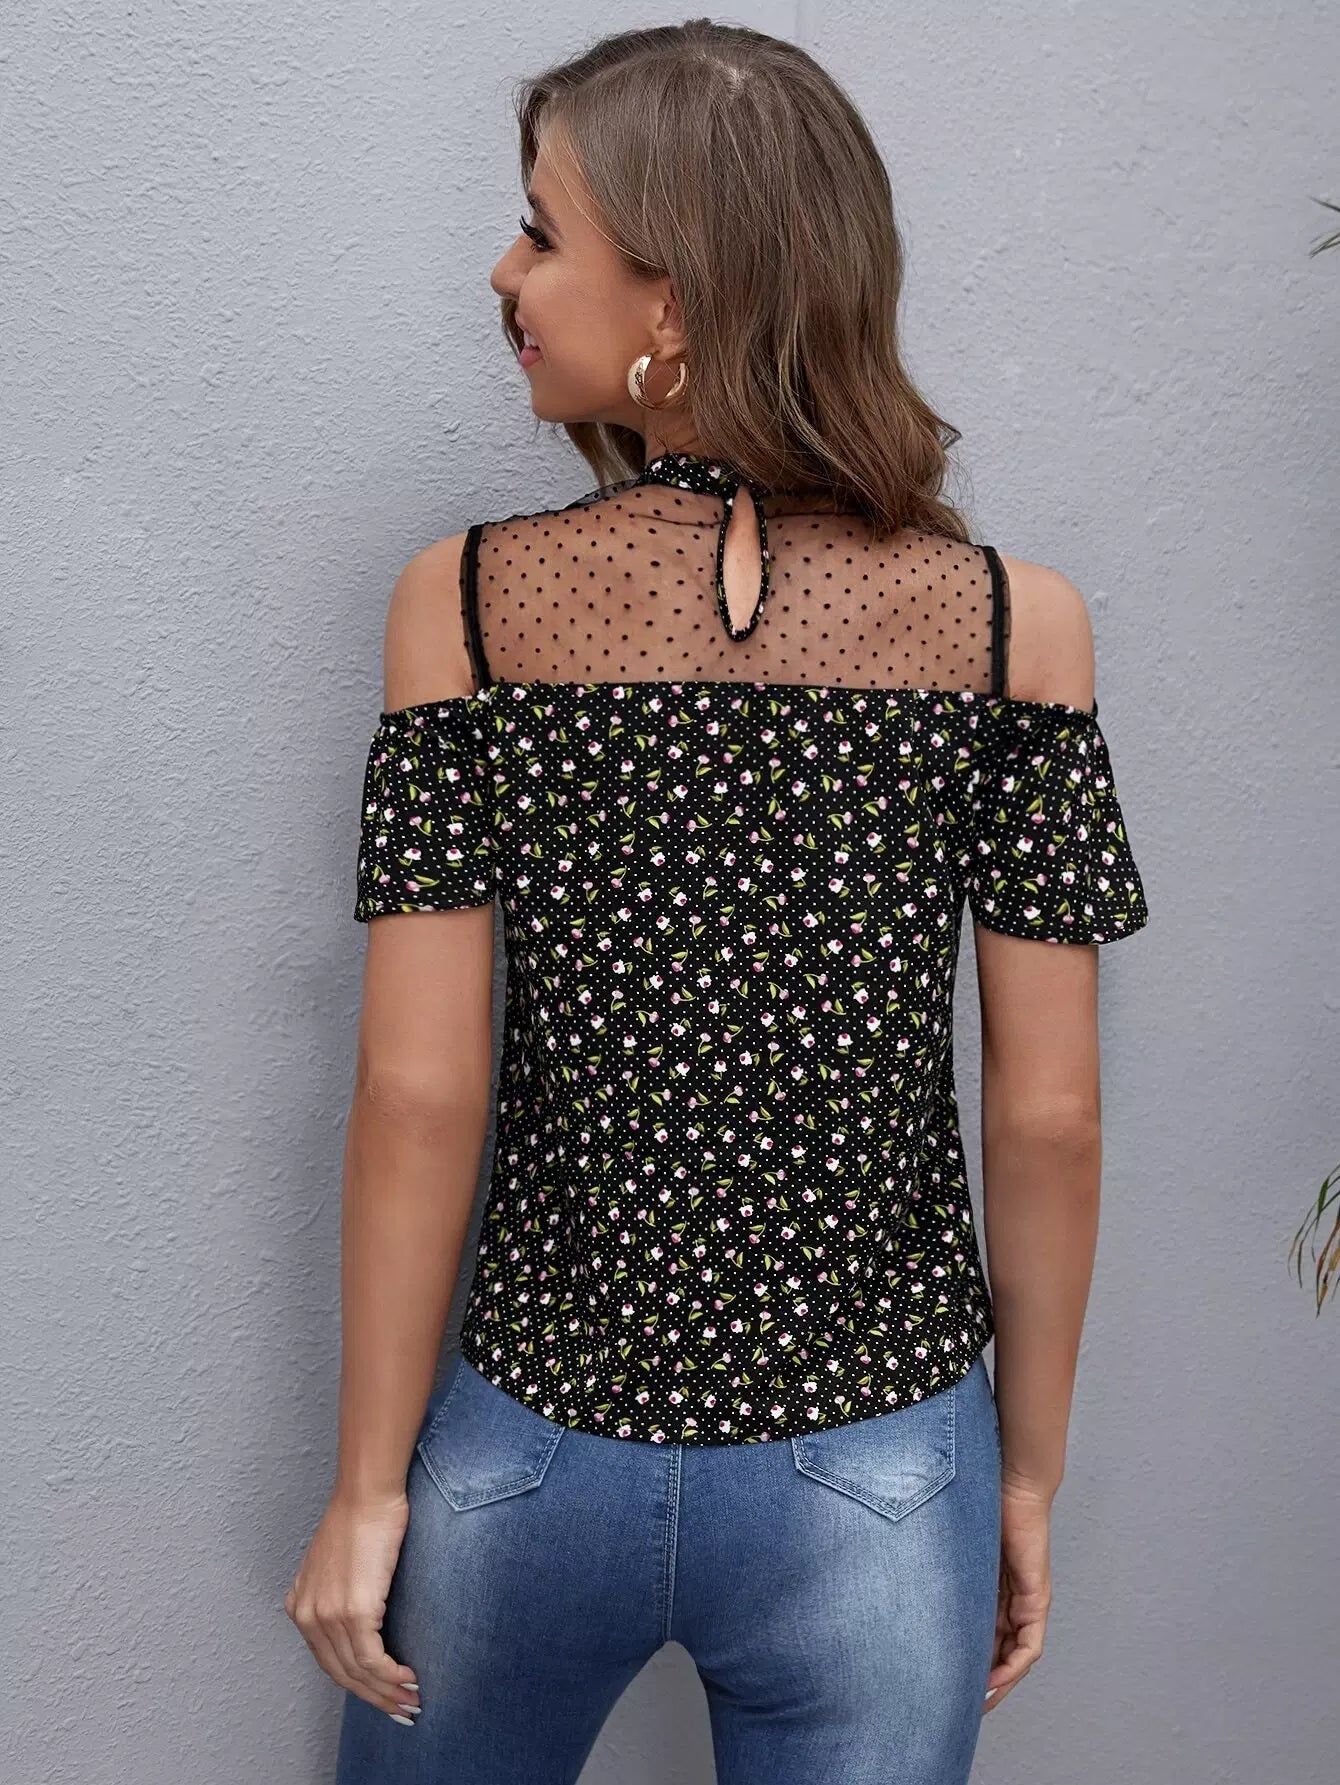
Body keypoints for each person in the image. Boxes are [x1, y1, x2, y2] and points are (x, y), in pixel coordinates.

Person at [284, 19, 1151, 1784]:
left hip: (533, 1439)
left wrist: (369, 1488)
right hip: (883, 1461)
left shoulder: (465, 605)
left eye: (542, 231)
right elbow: (1050, 1116)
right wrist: (1026, 1475)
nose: (507, 275)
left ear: (672, 305)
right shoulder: (1016, 628)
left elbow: (420, 1091)